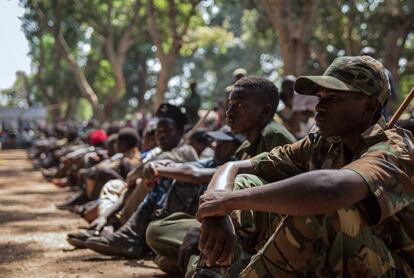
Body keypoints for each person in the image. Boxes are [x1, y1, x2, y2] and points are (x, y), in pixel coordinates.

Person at [196, 56, 414, 277]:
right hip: (345, 259)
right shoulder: (325, 143)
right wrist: (219, 207)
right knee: (242, 184)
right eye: (321, 97)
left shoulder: (394, 150)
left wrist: (229, 201)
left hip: (396, 267)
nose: (319, 107)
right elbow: (233, 167)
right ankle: (211, 271)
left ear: (369, 106)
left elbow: (331, 191)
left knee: (322, 209)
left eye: (334, 98)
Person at [145, 76, 296, 277]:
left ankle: (198, 264)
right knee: (157, 229)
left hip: (261, 238)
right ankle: (197, 259)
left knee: (202, 256)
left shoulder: (275, 137)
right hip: (233, 227)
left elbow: (280, 206)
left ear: (265, 111)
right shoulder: (245, 147)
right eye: (229, 104)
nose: (229, 112)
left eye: (239, 104)